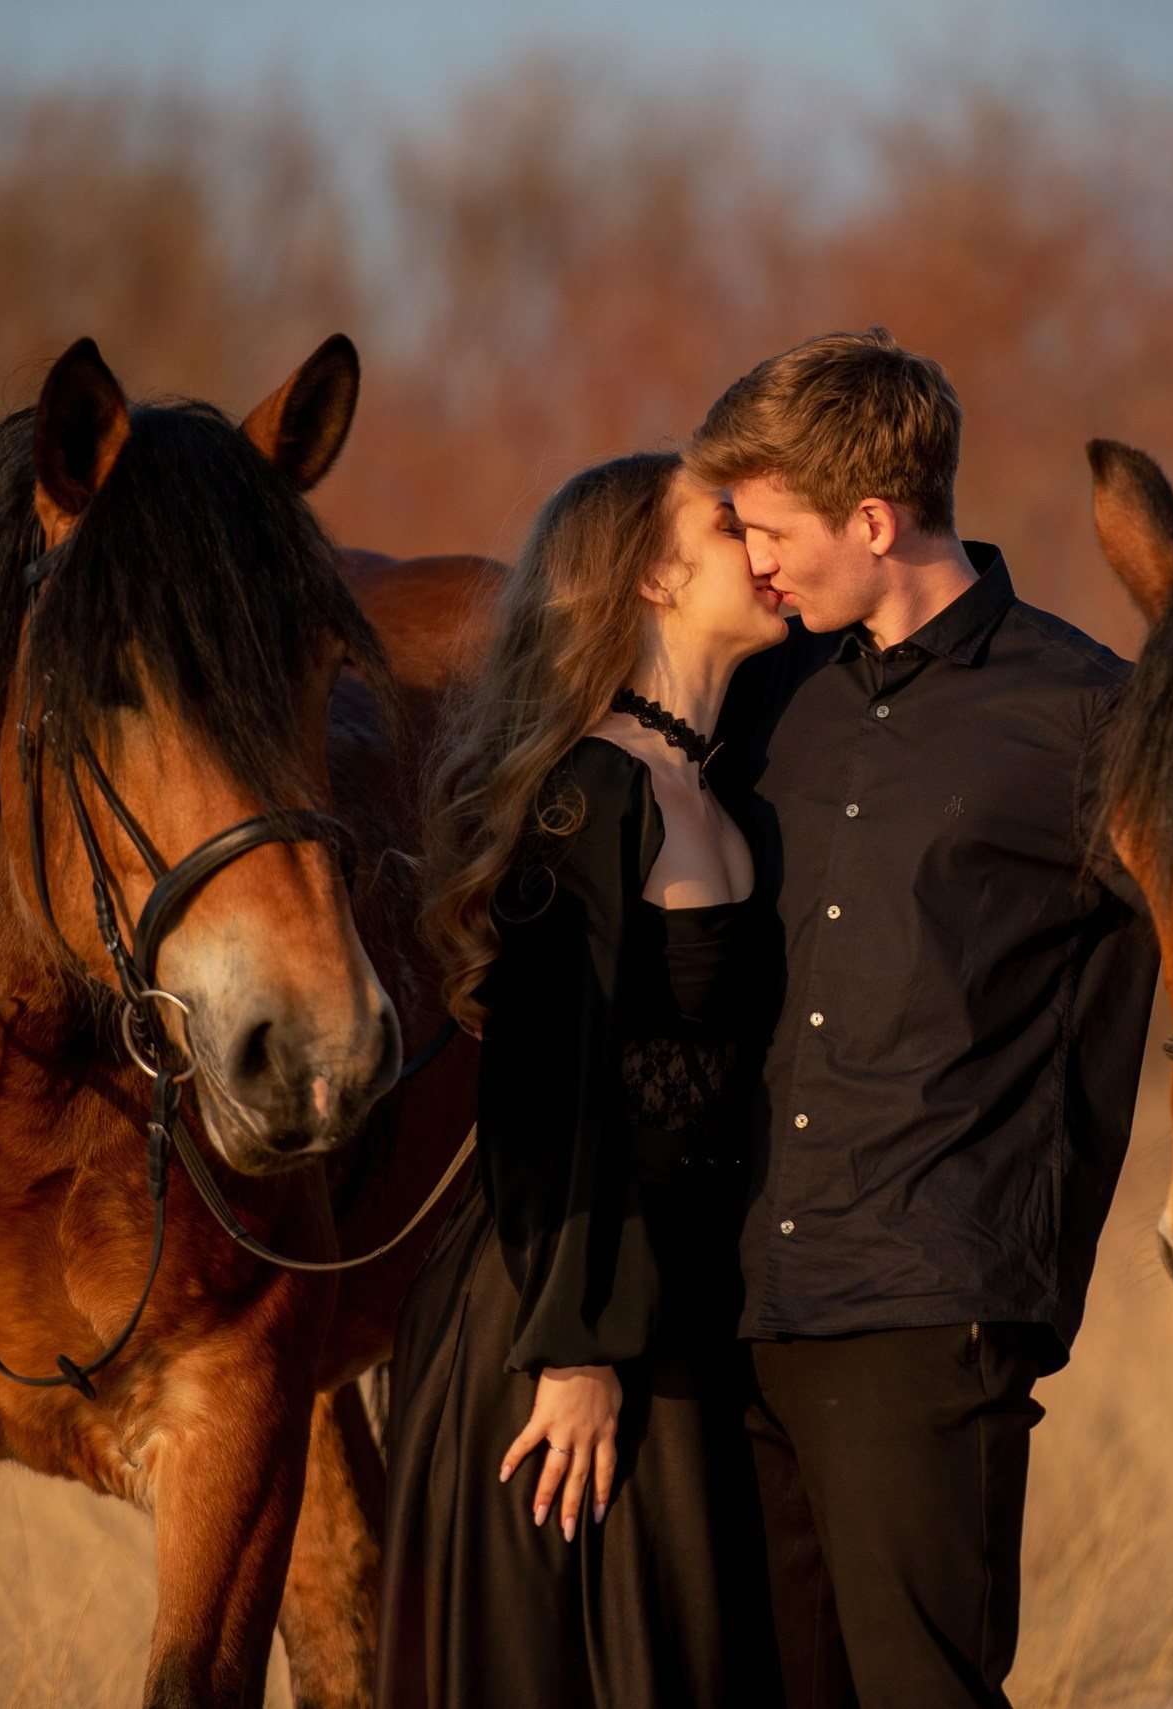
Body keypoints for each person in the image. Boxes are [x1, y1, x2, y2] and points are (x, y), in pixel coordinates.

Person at [693, 330, 1161, 1709]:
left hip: (930, 1303)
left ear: (873, 520)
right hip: (740, 1297)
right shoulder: (768, 699)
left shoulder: (1091, 716)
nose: (754, 562)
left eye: (770, 530)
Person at [379, 451, 788, 1708]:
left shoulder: (712, 783)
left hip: (674, 1305)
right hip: (561, 1310)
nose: (767, 541)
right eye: (730, 523)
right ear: (655, 573)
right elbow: (543, 1090)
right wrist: (575, 1351)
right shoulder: (588, 793)